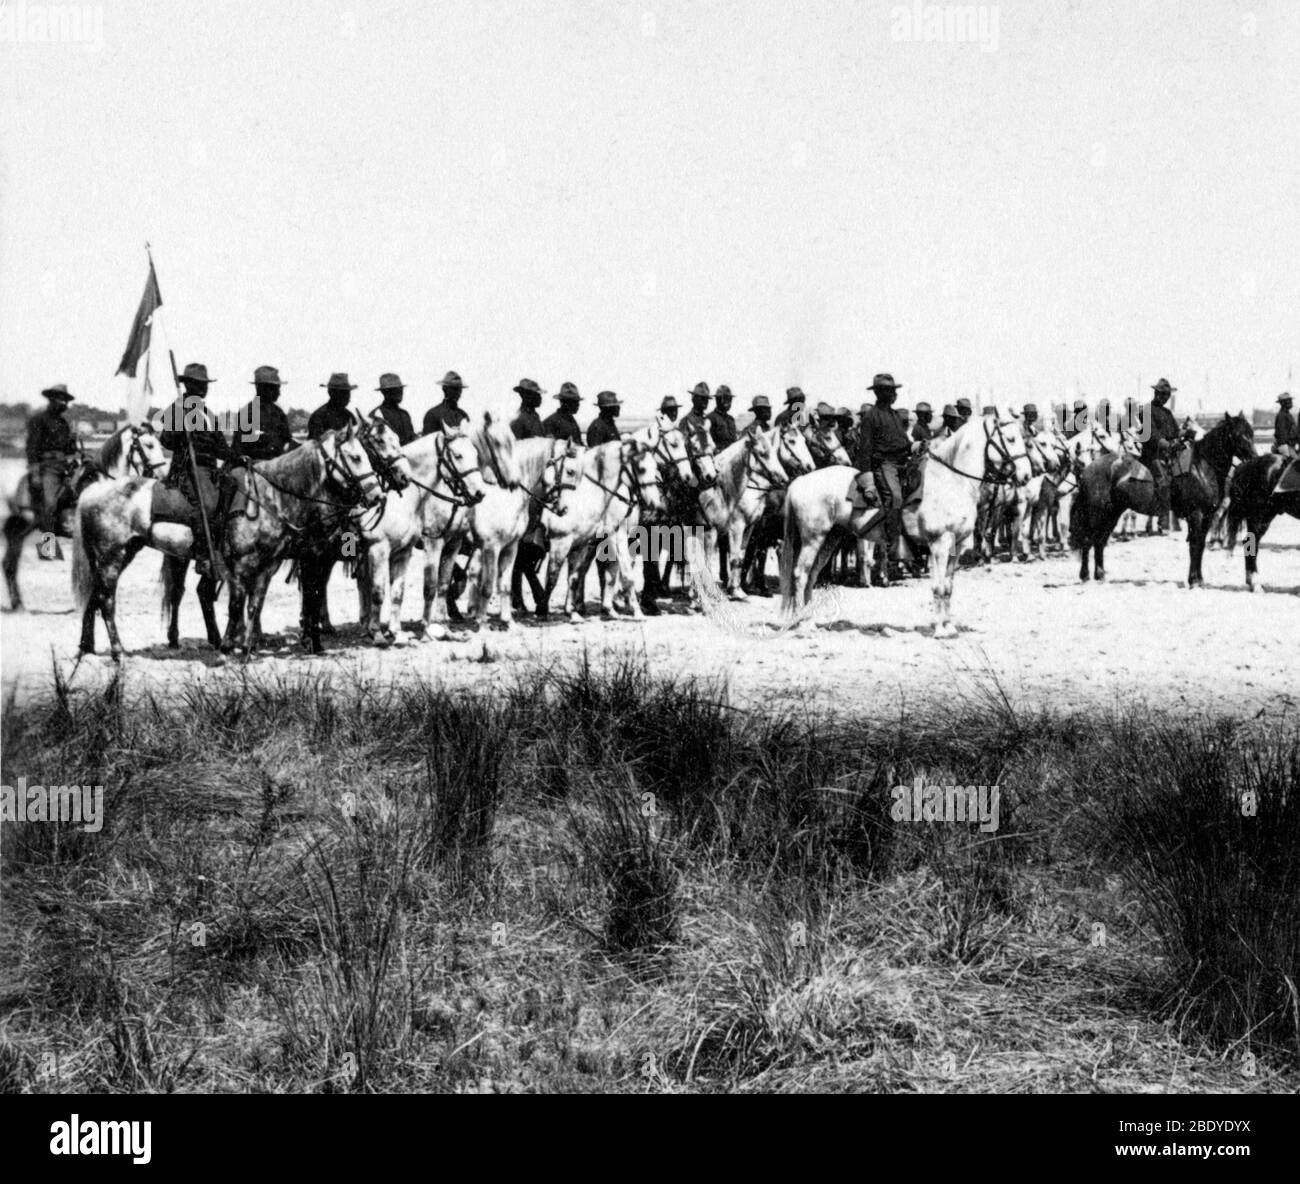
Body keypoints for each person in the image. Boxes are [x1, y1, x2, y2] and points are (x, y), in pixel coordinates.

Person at [158, 362, 237, 580]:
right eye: (198, 384)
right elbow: (166, 440)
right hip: (188, 469)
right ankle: (203, 557)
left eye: (205, 384)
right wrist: (180, 432)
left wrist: (237, 457)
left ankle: (224, 549)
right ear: (188, 385)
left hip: (210, 469)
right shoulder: (177, 408)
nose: (203, 388)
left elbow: (221, 448)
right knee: (209, 504)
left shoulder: (208, 414)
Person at [855, 373, 911, 583]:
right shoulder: (871, 417)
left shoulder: (895, 416)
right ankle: (889, 555)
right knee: (895, 498)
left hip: (902, 463)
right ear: (880, 393)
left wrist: (914, 446)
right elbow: (864, 450)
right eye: (890, 390)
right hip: (884, 464)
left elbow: (903, 443)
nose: (895, 394)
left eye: (895, 390)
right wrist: (868, 481)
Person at [25, 383, 79, 541]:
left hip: (66, 466)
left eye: (65, 400)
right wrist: (35, 473)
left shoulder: (64, 423)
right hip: (48, 467)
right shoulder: (38, 420)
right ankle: (47, 548)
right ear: (51, 399)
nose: (64, 403)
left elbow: (70, 450)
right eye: (60, 399)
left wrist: (73, 440)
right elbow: (32, 448)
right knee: (50, 504)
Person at [1139, 378, 1181, 533]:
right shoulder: (1147, 411)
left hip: (1168, 454)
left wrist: (1186, 433)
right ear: (1156, 393)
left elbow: (1176, 431)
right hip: (1152, 454)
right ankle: (1162, 521)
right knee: (1163, 482)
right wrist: (1167, 444)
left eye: (1168, 395)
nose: (1165, 397)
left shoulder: (1168, 413)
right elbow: (1152, 435)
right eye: (1163, 394)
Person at [234, 366, 296, 461]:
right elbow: (238, 449)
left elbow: (288, 441)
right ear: (262, 389)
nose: (279, 393)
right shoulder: (246, 414)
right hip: (255, 468)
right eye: (275, 389)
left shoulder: (279, 413)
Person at [307, 372, 357, 439]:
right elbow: (314, 444)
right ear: (332, 393)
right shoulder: (318, 416)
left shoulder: (349, 416)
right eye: (344, 393)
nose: (348, 397)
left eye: (348, 393)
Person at [371, 373, 416, 445]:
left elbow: (412, 440)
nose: (400, 392)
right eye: (395, 390)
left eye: (401, 389)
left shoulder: (405, 415)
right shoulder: (377, 415)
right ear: (385, 392)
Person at [422, 370, 470, 435]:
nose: (458, 393)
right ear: (445, 389)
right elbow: (428, 442)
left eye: (460, 389)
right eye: (454, 389)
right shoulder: (433, 414)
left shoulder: (463, 415)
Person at [1273, 392, 1296, 458]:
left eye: (1291, 400)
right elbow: (1281, 433)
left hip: (1290, 445)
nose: (1291, 402)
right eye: (1288, 401)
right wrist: (1285, 447)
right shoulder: (1282, 416)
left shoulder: (1288, 414)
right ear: (1282, 403)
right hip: (1285, 446)